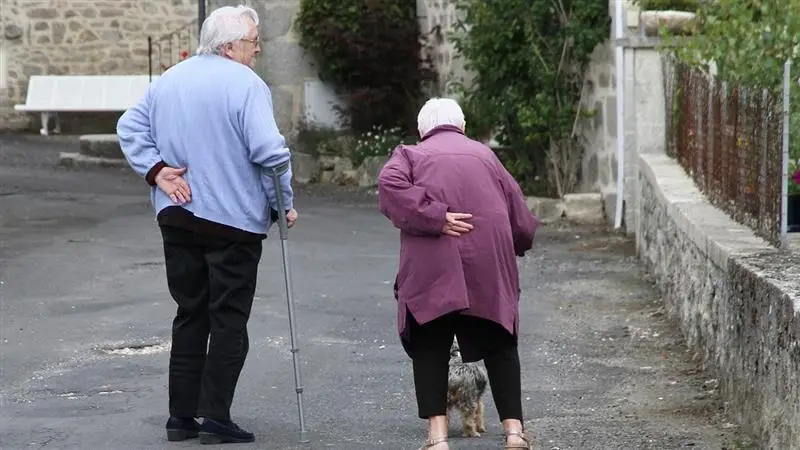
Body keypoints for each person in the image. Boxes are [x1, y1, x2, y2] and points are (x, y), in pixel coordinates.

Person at [116, 5, 297, 445]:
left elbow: (129, 126)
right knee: (229, 319)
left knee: (190, 312)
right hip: (232, 221)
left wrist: (157, 170)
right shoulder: (248, 84)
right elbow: (270, 153)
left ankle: (181, 418)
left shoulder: (171, 78)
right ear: (231, 45)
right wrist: (283, 204)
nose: (256, 50)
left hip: (177, 215)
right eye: (253, 42)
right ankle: (216, 418)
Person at [378, 98, 539, 450]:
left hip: (432, 263)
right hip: (487, 261)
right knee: (499, 341)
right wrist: (519, 241)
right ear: (462, 125)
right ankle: (514, 432)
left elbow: (389, 187)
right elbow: (519, 212)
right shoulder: (485, 155)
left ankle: (437, 439)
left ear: (422, 130)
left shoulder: (409, 154)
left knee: (431, 344)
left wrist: (433, 216)